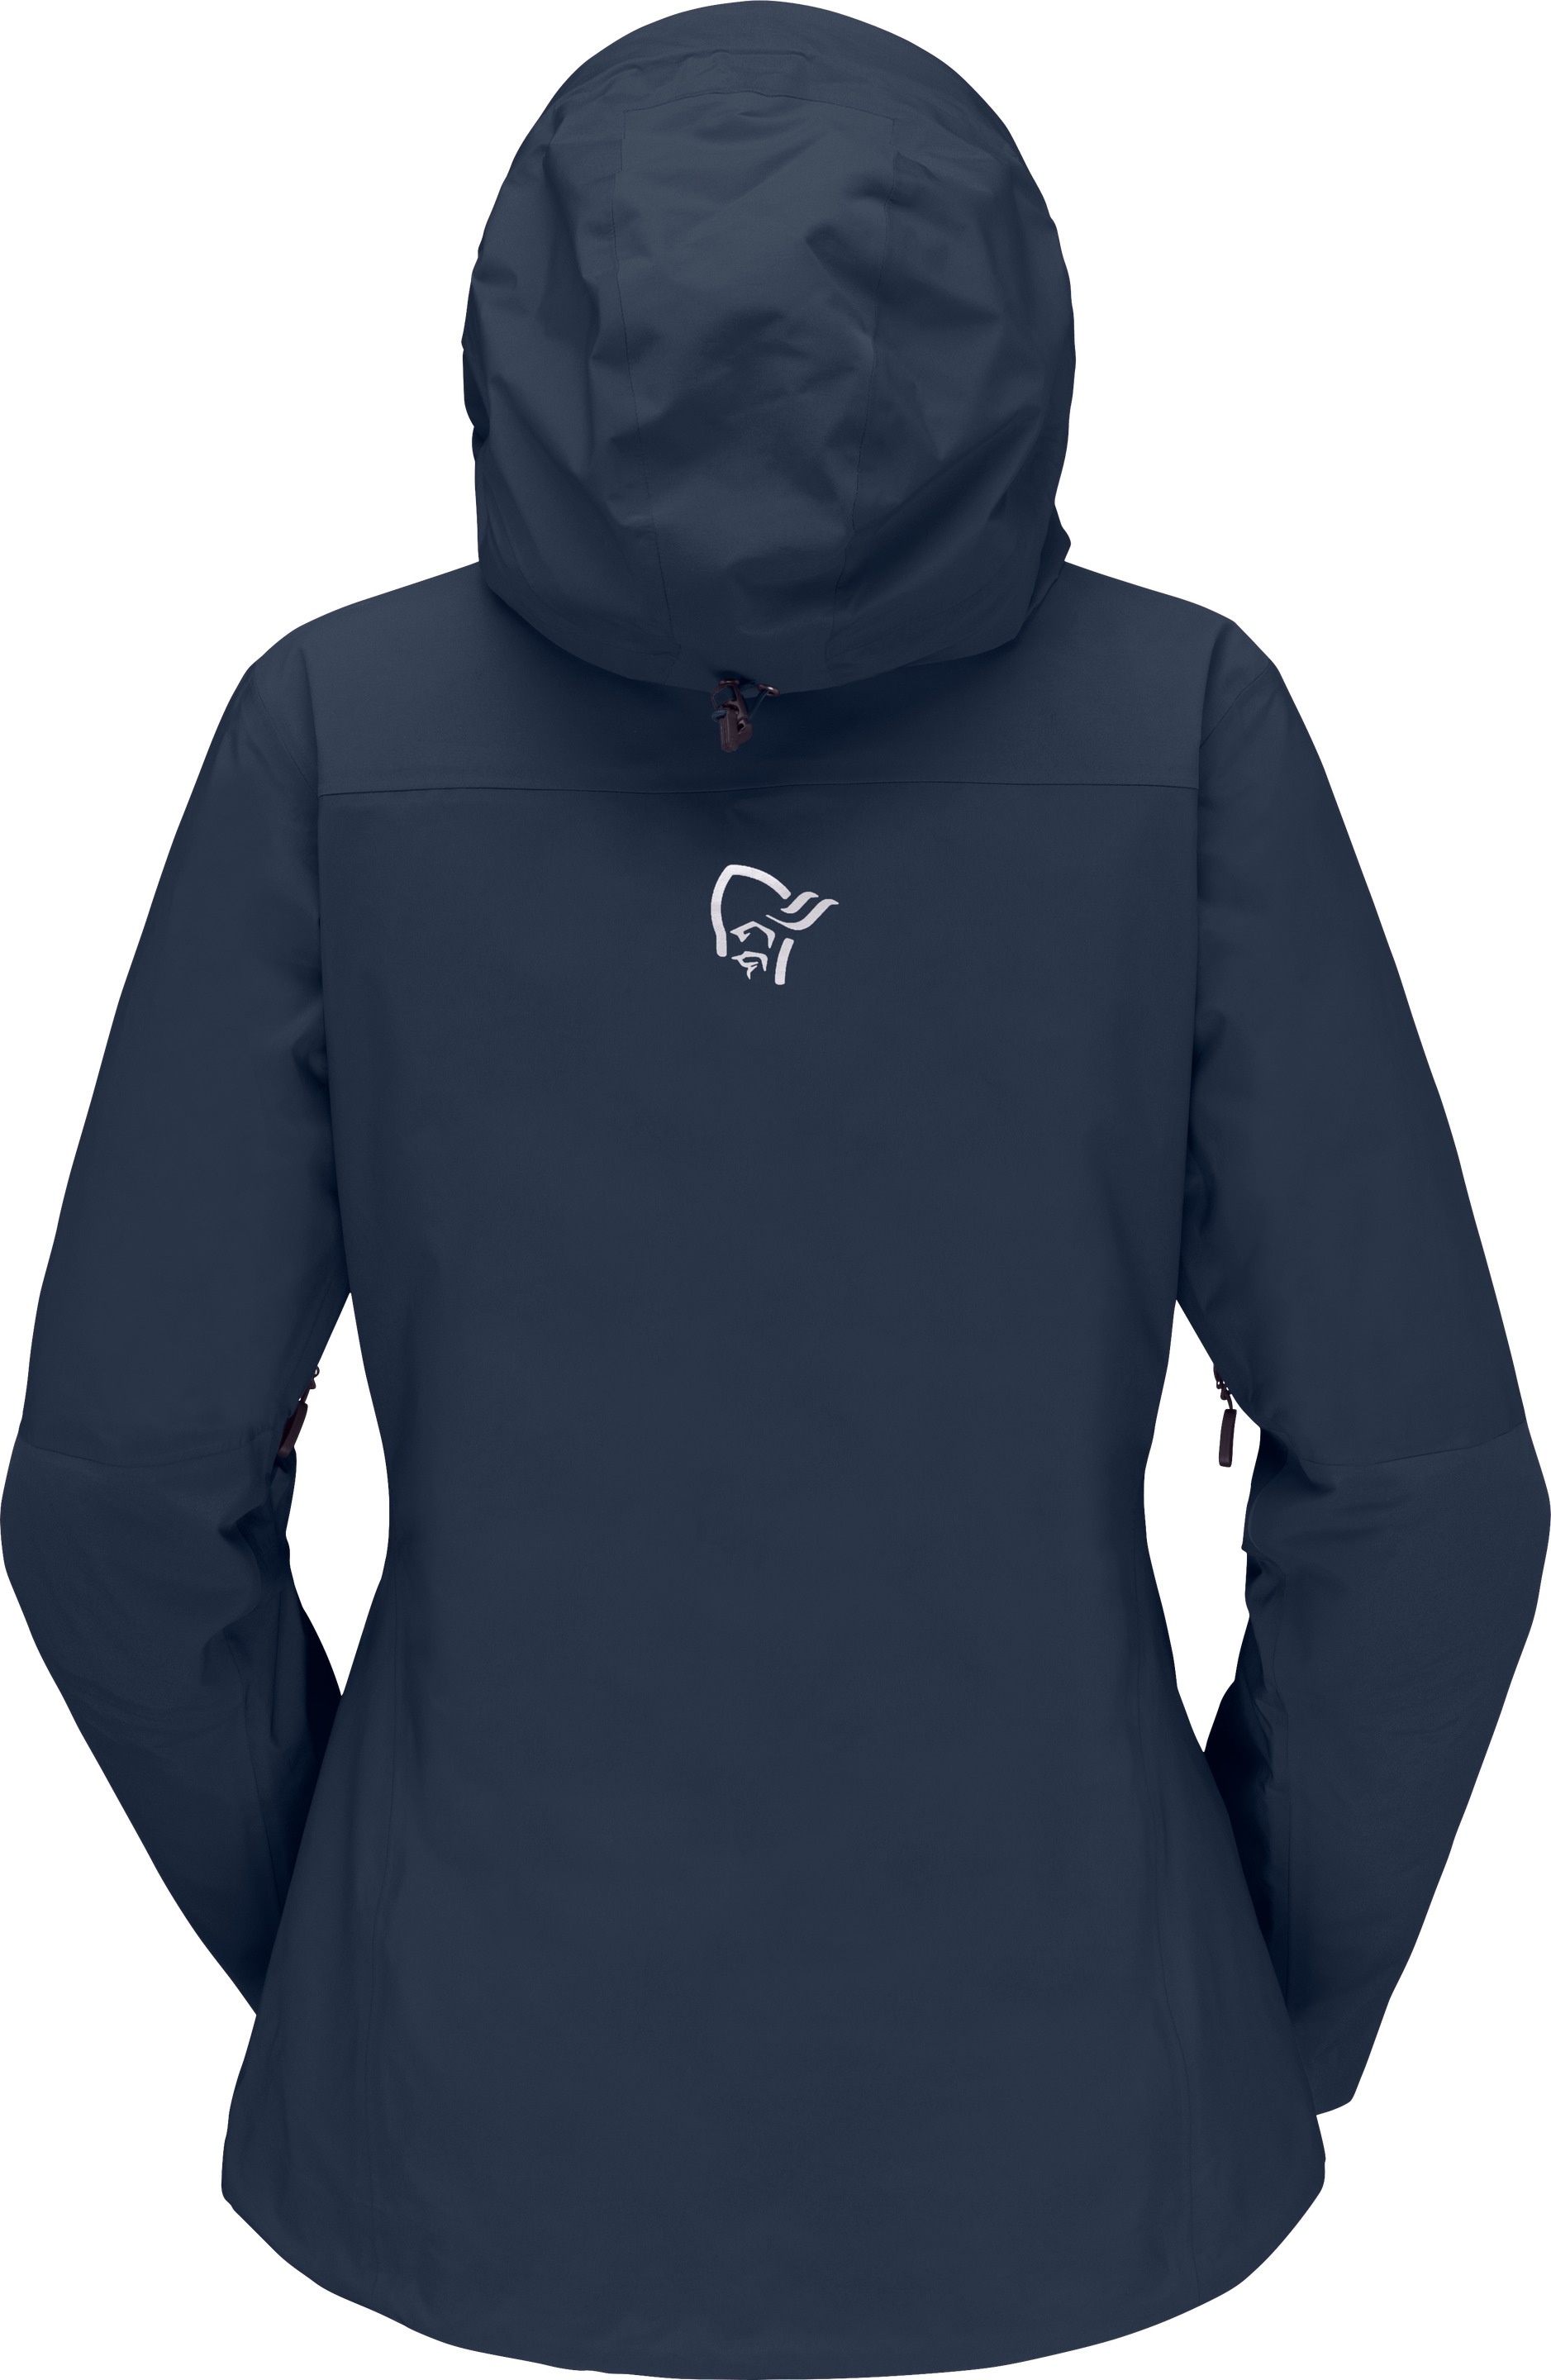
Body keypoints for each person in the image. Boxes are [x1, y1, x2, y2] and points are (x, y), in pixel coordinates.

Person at [3, 6, 1544, 2373]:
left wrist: (359, 1960)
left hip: (463, 2137)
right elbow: (1423, 1490)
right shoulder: (1183, 731)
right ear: (1009, 315)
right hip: (1079, 2130)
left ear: (529, 323)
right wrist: (1254, 1997)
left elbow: (119, 1497)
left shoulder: (335, 735)